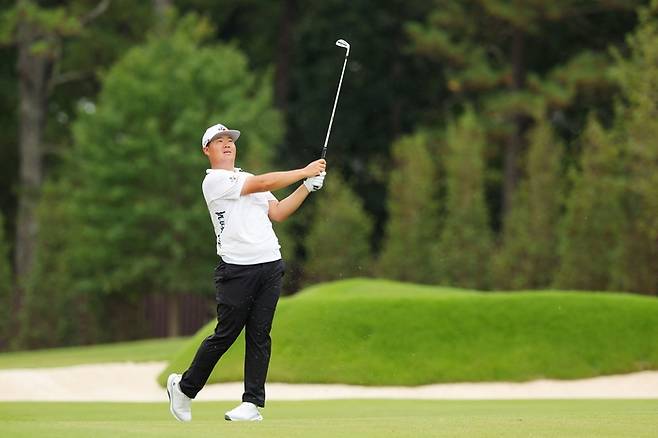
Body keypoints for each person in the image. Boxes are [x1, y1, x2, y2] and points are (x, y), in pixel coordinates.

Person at [167, 123, 326, 422]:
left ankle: (251, 404)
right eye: (218, 141)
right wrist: (304, 172)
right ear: (206, 150)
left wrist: (306, 187)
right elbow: (265, 184)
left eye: (230, 140)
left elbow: (277, 212)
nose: (226, 144)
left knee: (259, 334)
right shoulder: (213, 182)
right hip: (237, 270)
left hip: (270, 263)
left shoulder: (248, 178)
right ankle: (184, 389)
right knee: (226, 334)